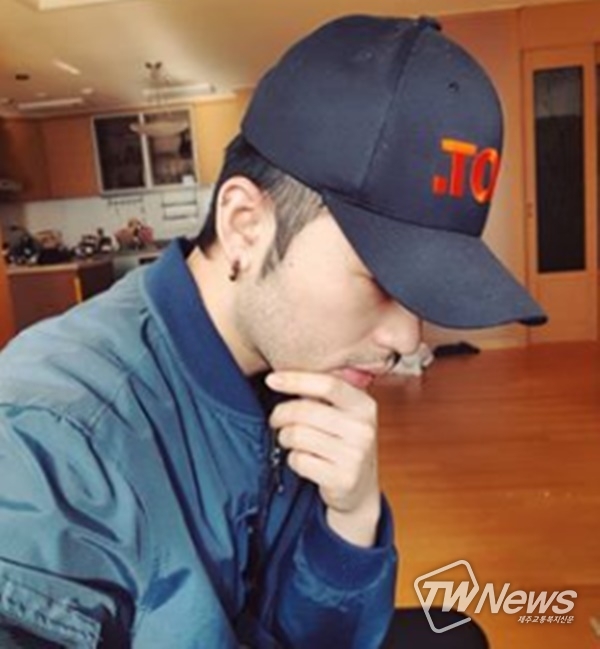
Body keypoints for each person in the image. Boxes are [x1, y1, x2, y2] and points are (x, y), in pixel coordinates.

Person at [0, 14, 546, 649]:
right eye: (377, 279)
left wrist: (351, 519)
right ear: (244, 225)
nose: (407, 338)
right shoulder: (49, 444)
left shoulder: (290, 367)